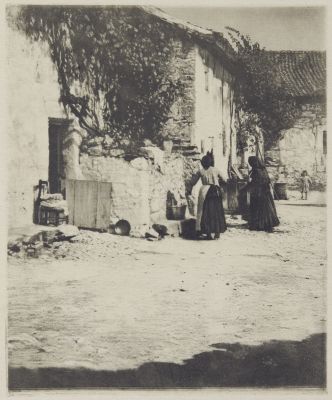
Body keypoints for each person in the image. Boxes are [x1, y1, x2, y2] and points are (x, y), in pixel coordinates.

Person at [187, 154, 228, 240]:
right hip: (215, 192)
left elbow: (192, 182)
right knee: (216, 212)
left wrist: (188, 189)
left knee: (204, 211)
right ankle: (217, 233)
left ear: (202, 163)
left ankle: (207, 232)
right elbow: (224, 179)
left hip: (204, 191)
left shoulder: (201, 171)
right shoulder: (215, 170)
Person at [247, 156, 279, 232]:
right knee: (266, 208)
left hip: (258, 192)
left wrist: (249, 183)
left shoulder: (256, 171)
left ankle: (258, 225)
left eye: (250, 163)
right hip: (266, 192)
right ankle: (267, 223)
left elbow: (255, 182)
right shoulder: (263, 170)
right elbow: (267, 181)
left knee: (258, 208)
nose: (250, 164)